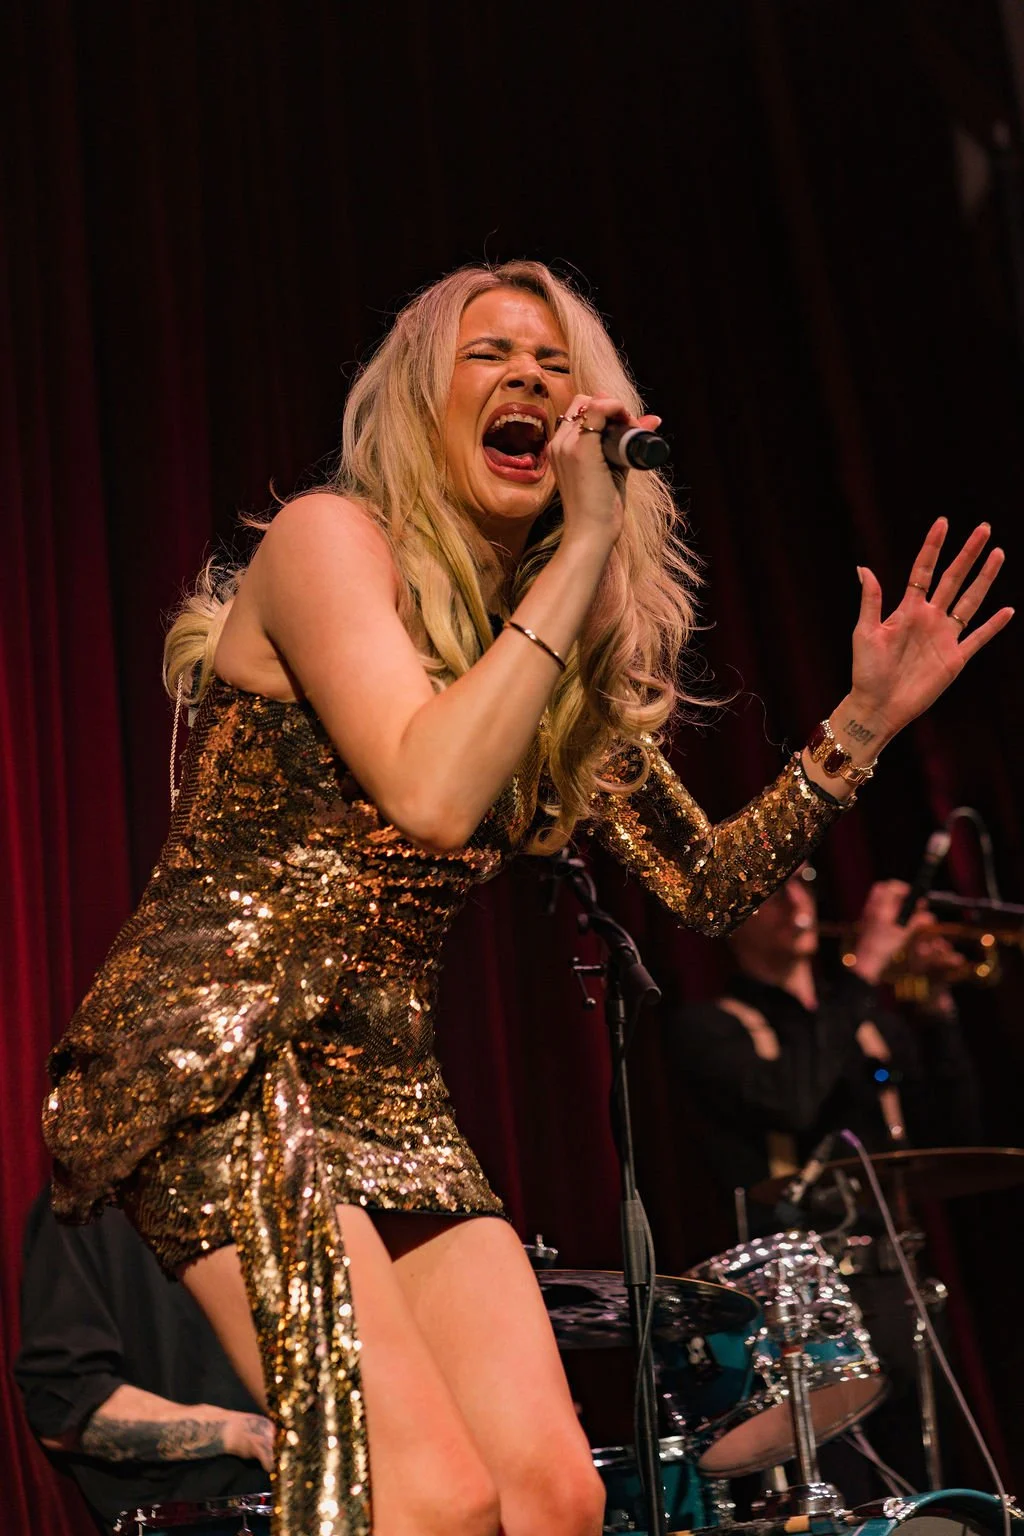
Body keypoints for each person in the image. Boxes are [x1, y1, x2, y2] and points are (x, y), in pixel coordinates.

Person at [41, 259, 1012, 1536]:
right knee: (431, 1499)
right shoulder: (331, 543)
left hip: (383, 1083)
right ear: (418, 404)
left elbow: (706, 887)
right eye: (491, 355)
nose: (533, 382)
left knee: (551, 1496)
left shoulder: (536, 657)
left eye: (558, 366)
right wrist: (587, 549)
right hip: (218, 1048)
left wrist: (857, 730)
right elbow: (431, 794)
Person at [664, 867, 984, 1496]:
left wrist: (938, 1008)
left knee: (936, 1486)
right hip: (802, 1308)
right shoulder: (711, 1027)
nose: (797, 901)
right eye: (771, 890)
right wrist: (863, 970)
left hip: (900, 1286)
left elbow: (960, 1133)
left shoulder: (867, 1023)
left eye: (805, 883)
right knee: (845, 1493)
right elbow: (791, 1102)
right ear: (732, 923)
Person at [15, 1187, 271, 1534]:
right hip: (194, 1517)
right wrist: (238, 1432)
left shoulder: (281, 1187)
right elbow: (62, 1407)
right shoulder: (85, 1202)